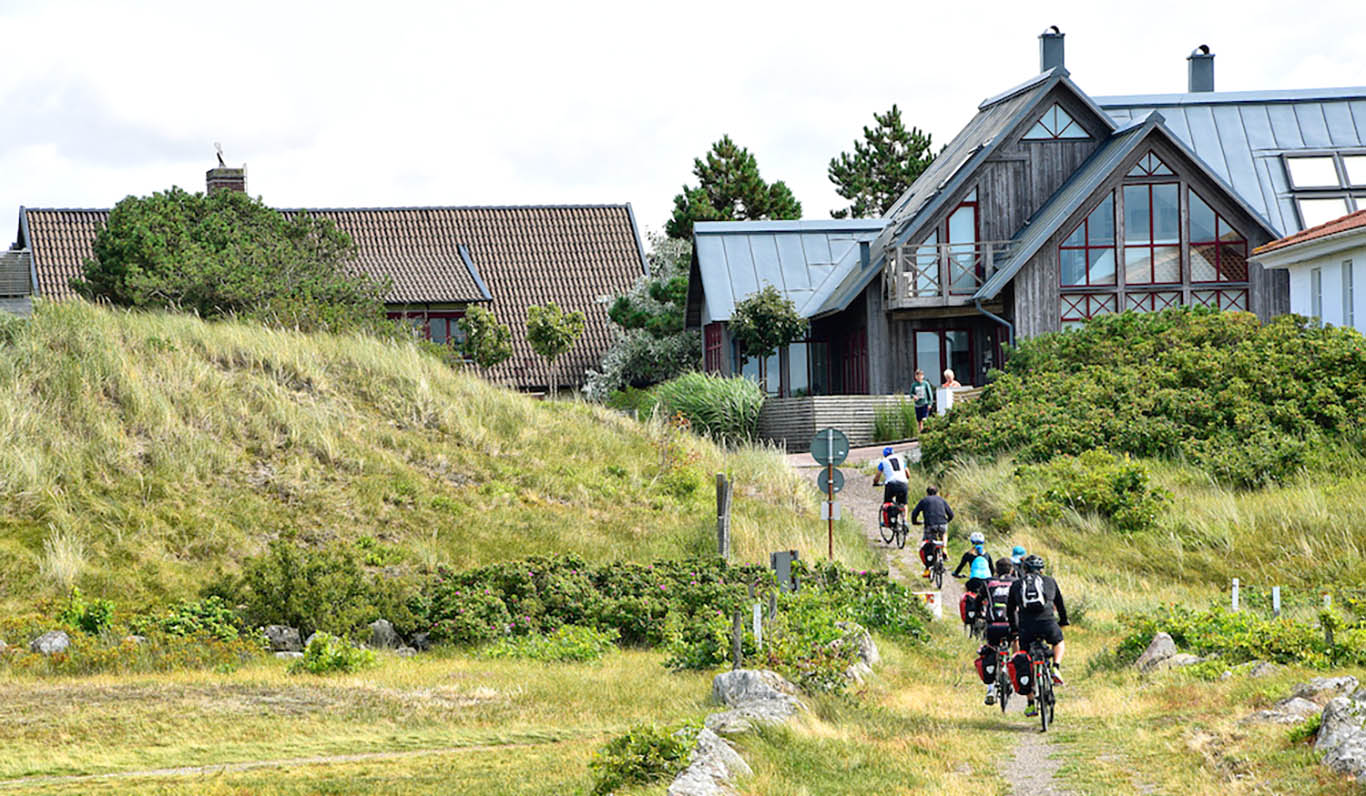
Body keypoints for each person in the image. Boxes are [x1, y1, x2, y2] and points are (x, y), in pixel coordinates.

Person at [1007, 554, 1069, 716]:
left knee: (1027, 663)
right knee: (1059, 641)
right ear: (1042, 570)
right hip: (1047, 622)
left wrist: (1014, 628)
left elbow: (1010, 609)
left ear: (1024, 569)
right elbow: (1060, 604)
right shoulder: (1050, 582)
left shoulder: (1017, 584)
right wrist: (1063, 621)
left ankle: (1030, 704)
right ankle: (1055, 668)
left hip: (1026, 627)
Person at [980, 558, 1018, 705]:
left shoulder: (988, 582)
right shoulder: (1016, 582)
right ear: (1011, 570)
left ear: (995, 570)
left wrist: (980, 614)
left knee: (991, 651)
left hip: (993, 625)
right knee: (1015, 640)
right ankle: (1015, 666)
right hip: (1011, 624)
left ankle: (990, 690)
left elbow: (979, 601)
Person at [910, 485, 953, 577]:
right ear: (937, 493)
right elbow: (951, 514)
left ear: (927, 493)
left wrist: (915, 522)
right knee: (944, 533)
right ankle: (944, 548)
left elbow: (914, 513)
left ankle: (927, 569)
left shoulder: (924, 500)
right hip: (942, 524)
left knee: (928, 546)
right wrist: (946, 521)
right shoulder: (942, 500)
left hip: (930, 525)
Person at [871, 446, 910, 528]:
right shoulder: (901, 460)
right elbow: (908, 474)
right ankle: (905, 521)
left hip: (891, 484)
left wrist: (875, 482)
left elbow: (878, 475)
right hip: (903, 483)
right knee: (904, 503)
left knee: (887, 503)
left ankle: (887, 522)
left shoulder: (883, 462)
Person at [952, 531, 996, 596]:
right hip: (988, 581)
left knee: (967, 592)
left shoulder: (968, 554)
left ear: (972, 542)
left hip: (974, 580)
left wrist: (955, 573)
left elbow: (960, 566)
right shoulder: (987, 554)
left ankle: (968, 604)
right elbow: (992, 569)